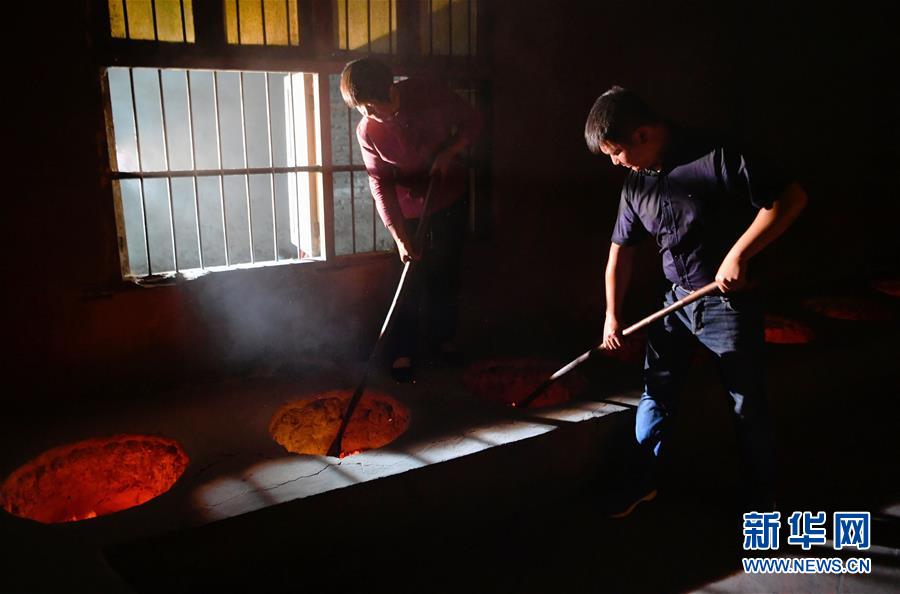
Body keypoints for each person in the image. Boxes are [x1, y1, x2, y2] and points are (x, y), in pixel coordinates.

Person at [584, 86, 808, 516]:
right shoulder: (636, 184)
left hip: (729, 305)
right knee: (656, 391)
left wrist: (739, 255)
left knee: (746, 405)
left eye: (616, 152)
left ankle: (762, 500)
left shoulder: (716, 155)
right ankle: (641, 482)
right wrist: (612, 315)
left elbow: (790, 198)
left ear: (643, 134)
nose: (615, 162)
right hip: (675, 303)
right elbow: (620, 253)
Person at [340, 58, 482, 381]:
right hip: (409, 211)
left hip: (449, 196)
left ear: (390, 91)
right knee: (408, 277)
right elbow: (379, 184)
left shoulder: (426, 93)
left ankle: (442, 340)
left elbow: (473, 121)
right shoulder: (368, 131)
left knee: (446, 272)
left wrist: (450, 152)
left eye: (370, 106)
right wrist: (399, 235)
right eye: (361, 109)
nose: (366, 114)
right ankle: (402, 350)